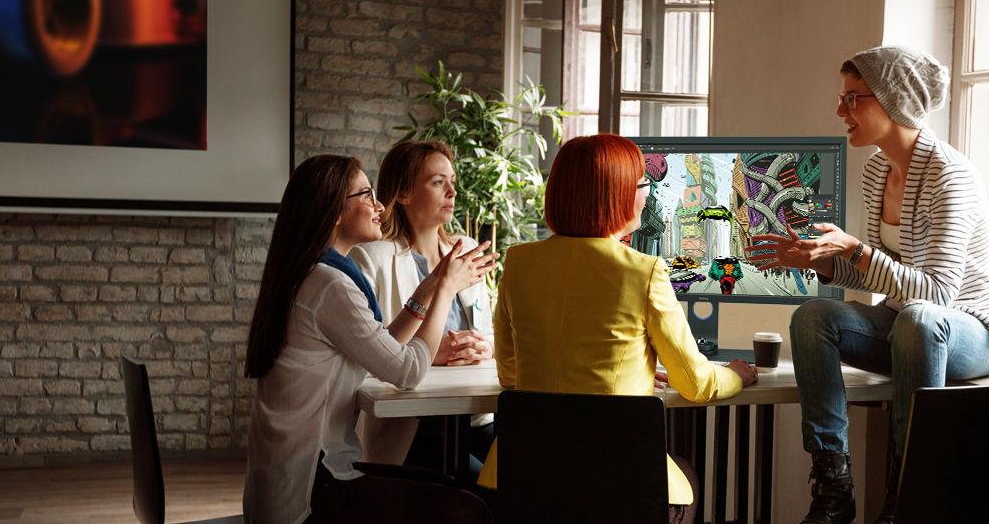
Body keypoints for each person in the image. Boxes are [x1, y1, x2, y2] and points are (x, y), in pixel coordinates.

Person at [745, 46, 989, 524]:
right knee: (813, 316)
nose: (840, 111)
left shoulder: (950, 176)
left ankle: (903, 496)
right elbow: (880, 272)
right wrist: (822, 262)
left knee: (919, 317)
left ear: (894, 101)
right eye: (841, 98)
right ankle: (833, 484)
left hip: (967, 334)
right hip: (906, 323)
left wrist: (855, 250)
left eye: (852, 98)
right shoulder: (877, 172)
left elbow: (937, 294)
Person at [476, 134, 760, 524]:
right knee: (686, 475)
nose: (648, 194)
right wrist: (736, 375)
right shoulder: (644, 272)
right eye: (644, 184)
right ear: (618, 195)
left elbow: (511, 376)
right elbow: (697, 385)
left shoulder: (519, 263)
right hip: (618, 487)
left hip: (526, 484)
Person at [242, 154, 497, 524]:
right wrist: (445, 289)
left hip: (290, 478)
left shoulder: (312, 274)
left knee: (452, 486)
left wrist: (428, 286)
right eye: (365, 196)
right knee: (468, 509)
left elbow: (379, 348)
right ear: (333, 213)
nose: (380, 205)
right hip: (313, 491)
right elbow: (407, 370)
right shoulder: (331, 286)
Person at [350, 140, 495, 477]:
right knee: (481, 487)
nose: (452, 193)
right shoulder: (373, 258)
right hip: (412, 423)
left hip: (472, 413)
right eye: (437, 182)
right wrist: (431, 353)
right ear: (402, 193)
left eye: (453, 182)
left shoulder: (467, 250)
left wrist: (483, 347)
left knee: (529, 480)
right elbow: (365, 357)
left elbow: (490, 334)